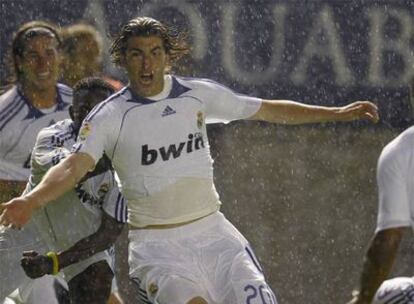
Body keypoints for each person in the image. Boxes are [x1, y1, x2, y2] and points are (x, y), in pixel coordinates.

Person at [0, 17, 379, 304]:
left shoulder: (196, 95)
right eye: (137, 54)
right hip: (158, 249)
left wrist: (336, 111)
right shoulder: (109, 115)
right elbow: (73, 166)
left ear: (167, 56)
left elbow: (267, 110)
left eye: (155, 53)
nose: (147, 64)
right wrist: (30, 201)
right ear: (123, 59)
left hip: (215, 235)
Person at [20, 77, 127, 304]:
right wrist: (113, 158)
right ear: (71, 114)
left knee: (98, 278)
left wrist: (54, 262)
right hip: (26, 236)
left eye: (102, 112)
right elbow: (70, 170)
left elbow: (107, 234)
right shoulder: (52, 137)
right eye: (86, 111)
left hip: (80, 245)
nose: (94, 120)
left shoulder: (126, 167)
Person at [0, 20, 71, 303]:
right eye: (33, 55)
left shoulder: (78, 104)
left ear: (60, 56)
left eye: (49, 53)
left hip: (70, 229)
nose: (43, 63)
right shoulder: (5, 116)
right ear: (19, 61)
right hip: (16, 233)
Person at [347, 79, 414, 304]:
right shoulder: (401, 152)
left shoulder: (401, 152)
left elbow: (389, 240)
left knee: (391, 295)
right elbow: (388, 239)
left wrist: (362, 300)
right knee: (393, 294)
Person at [60, 23, 123, 90]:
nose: (94, 61)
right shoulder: (53, 92)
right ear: (67, 58)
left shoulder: (112, 90)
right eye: (87, 54)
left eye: (97, 55)